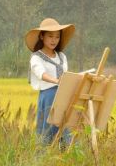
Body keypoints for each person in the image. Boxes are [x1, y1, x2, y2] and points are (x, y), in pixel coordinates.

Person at [25, 17, 74, 145]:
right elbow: (41, 74)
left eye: (57, 37)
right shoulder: (36, 57)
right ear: (42, 36)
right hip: (48, 96)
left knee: (66, 130)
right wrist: (57, 81)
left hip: (64, 96)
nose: (54, 40)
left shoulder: (62, 56)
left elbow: (66, 74)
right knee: (47, 133)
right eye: (50, 36)